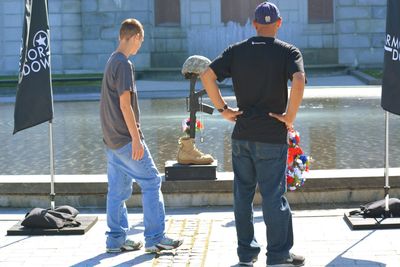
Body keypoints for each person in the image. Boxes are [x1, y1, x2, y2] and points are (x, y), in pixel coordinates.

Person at [200, 2, 306, 267]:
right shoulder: (288, 52)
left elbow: (206, 75)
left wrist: (223, 109)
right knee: (273, 197)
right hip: (271, 135)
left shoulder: (237, 51)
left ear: (255, 23)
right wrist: (290, 117)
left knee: (242, 197)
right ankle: (278, 256)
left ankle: (247, 256)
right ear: (279, 23)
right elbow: (300, 80)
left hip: (243, 134)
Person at [100, 18, 183, 253]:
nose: (140, 46)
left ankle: (115, 240)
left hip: (111, 140)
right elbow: (125, 105)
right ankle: (155, 237)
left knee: (117, 191)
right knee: (152, 181)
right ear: (135, 36)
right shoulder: (124, 64)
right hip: (126, 140)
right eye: (141, 41)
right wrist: (136, 139)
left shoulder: (111, 61)